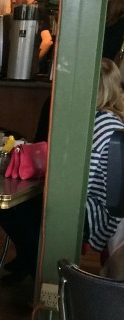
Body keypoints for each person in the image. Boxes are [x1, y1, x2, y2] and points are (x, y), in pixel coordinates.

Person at [85, 58, 124, 258]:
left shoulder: (100, 124)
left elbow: (83, 183)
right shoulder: (112, 120)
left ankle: (33, 260)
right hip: (111, 209)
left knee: (22, 209)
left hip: (100, 211)